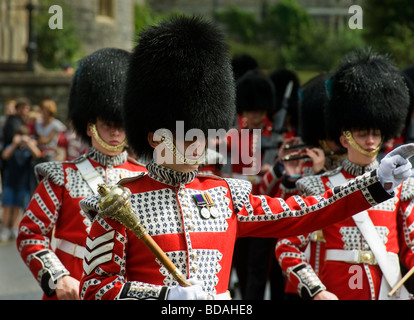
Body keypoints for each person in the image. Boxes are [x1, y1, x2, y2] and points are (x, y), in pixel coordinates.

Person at [78, 16, 412, 300]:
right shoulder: (118, 205)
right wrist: (163, 297)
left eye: (203, 131)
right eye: (189, 134)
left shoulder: (224, 196)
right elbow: (95, 288)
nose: (200, 143)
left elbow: (309, 211)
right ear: (157, 137)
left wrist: (376, 182)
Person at [276, 51, 414, 300]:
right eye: (362, 134)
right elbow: (287, 247)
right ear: (345, 139)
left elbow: (411, 246)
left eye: (376, 133)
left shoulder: (402, 187)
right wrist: (316, 292)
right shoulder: (317, 187)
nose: (371, 141)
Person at [16, 48, 147, 300]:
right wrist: (58, 277)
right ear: (90, 126)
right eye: (108, 124)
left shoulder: (143, 177)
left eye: (121, 125)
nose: (116, 133)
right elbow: (30, 233)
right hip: (72, 286)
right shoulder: (61, 175)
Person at [0, 125, 42, 242]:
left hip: (24, 183)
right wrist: (14, 144)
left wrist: (29, 142)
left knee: (18, 207)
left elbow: (37, 154)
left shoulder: (29, 148)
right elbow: (5, 155)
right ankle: (5, 228)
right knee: (7, 205)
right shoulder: (11, 147)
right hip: (10, 182)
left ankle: (14, 227)